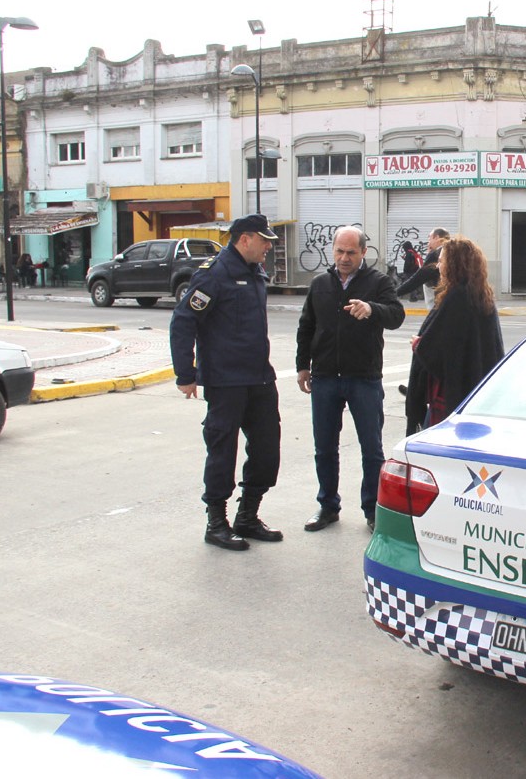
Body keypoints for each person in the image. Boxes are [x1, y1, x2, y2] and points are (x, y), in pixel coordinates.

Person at [169, 214, 284, 551]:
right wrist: (185, 374)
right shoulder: (215, 275)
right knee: (222, 451)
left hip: (259, 378)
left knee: (266, 449)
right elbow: (183, 322)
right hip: (226, 381)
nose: (268, 246)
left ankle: (247, 515)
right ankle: (216, 523)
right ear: (245, 239)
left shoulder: (255, 272)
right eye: (264, 240)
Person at [297, 226, 405, 533]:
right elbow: (307, 326)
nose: (344, 258)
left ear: (363, 253)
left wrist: (371, 309)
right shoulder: (320, 283)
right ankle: (328, 506)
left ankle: (373, 510)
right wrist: (302, 366)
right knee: (324, 447)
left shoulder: (379, 282)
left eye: (351, 253)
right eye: (339, 252)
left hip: (364, 378)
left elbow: (396, 315)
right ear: (333, 250)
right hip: (326, 378)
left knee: (371, 449)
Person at [404, 235, 505, 433]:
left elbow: (439, 351)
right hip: (476, 390)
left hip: (452, 394)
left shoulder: (457, 297)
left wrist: (418, 344)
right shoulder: (481, 295)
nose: (438, 266)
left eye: (441, 261)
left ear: (454, 265)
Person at [395, 227, 449, 309]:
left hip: (440, 302)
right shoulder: (452, 251)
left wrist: (395, 293)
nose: (428, 242)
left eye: (430, 238)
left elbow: (418, 278)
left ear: (437, 237)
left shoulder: (436, 254)